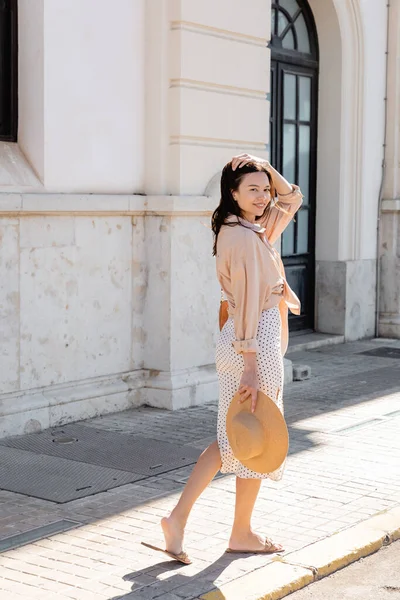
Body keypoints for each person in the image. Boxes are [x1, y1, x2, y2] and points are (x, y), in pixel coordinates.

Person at [144, 153, 303, 565]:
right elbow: (249, 303)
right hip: (252, 340)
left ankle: (192, 522)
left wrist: (264, 167)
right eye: (252, 189)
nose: (264, 195)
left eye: (264, 189)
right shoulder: (245, 238)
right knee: (253, 433)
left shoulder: (249, 228)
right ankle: (234, 530)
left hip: (247, 337)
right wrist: (251, 363)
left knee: (240, 434)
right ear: (232, 194)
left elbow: (293, 199)